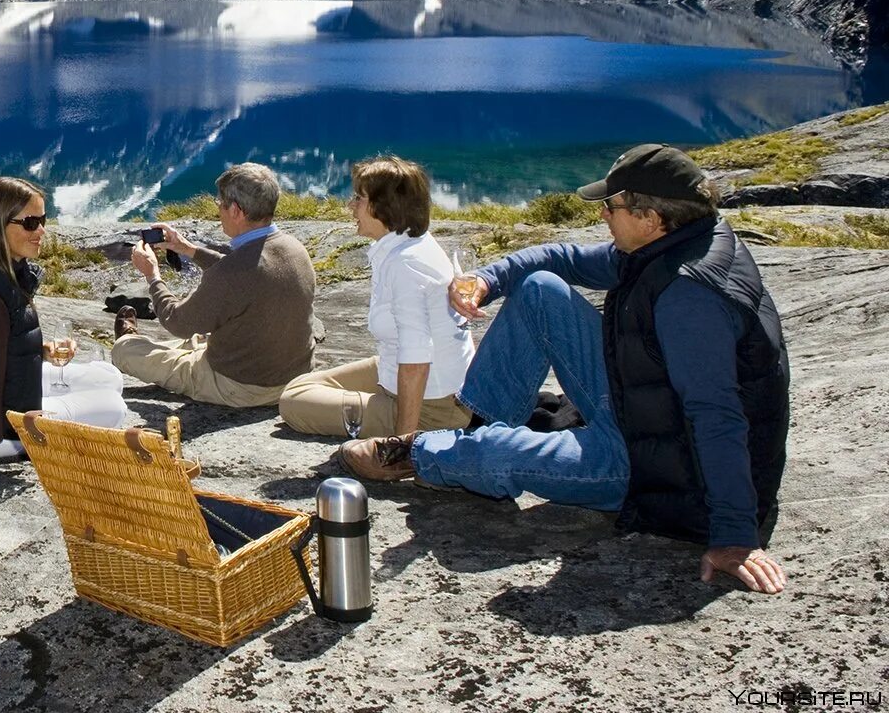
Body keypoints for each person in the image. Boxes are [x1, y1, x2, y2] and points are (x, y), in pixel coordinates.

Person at [340, 144, 791, 594]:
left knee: (500, 453)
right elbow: (559, 260)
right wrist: (487, 280)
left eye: (612, 207)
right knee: (539, 290)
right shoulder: (679, 240)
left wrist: (734, 536)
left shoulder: (689, 296)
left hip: (657, 469)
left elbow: (717, 416)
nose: (604, 217)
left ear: (650, 218)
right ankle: (477, 429)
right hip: (643, 409)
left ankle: (420, 454)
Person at [0, 177, 126, 497]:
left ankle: (46, 411)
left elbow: (0, 346)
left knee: (109, 375)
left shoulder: (5, 268)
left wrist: (44, 350)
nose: (41, 231)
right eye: (31, 223)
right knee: (113, 406)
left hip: (6, 390)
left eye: (43, 220)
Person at [279, 157, 476, 438]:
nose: (351, 206)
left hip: (432, 407)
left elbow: (417, 361)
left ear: (384, 206)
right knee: (300, 386)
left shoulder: (406, 265)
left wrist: (402, 445)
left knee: (294, 403)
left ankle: (410, 430)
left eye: (359, 198)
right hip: (399, 373)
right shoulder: (409, 245)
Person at [111, 162, 318, 407]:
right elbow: (245, 276)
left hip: (240, 387)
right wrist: (188, 249)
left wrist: (152, 275)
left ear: (237, 211)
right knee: (201, 340)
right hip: (294, 377)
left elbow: (177, 321)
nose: (218, 209)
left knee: (124, 352)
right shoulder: (294, 249)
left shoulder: (233, 272)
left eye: (220, 203)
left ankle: (128, 342)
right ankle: (167, 347)